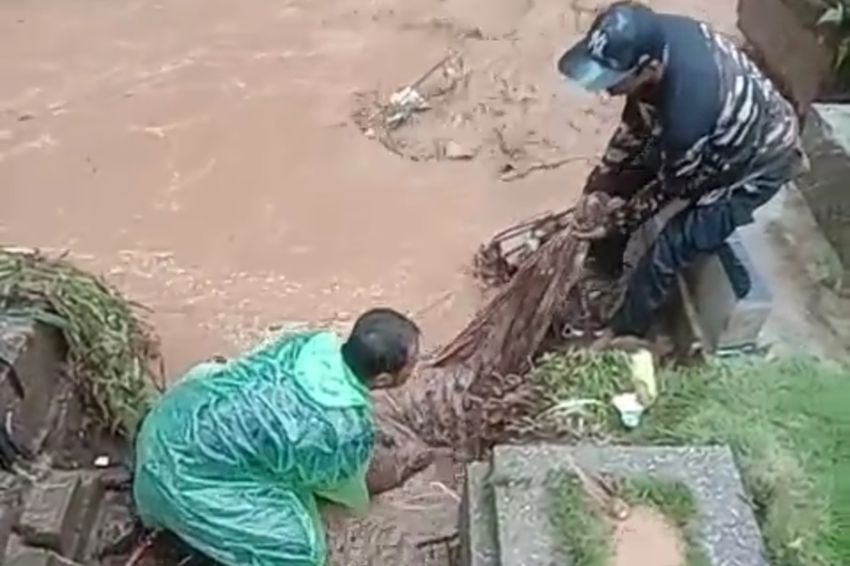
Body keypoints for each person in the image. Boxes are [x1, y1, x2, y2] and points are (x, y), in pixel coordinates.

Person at [557, 2, 804, 337]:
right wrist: (601, 181)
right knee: (623, 178)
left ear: (650, 68)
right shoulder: (657, 38)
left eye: (615, 80)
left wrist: (616, 221)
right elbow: (635, 125)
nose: (607, 89)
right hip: (707, 130)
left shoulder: (687, 113)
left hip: (757, 162)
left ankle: (622, 333)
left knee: (671, 247)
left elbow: (670, 188)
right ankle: (603, 270)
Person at [133, 308, 420, 565]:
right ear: (383, 380)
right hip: (177, 480)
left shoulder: (309, 343)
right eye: (412, 364)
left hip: (166, 425)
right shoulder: (344, 429)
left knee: (214, 373)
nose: (415, 367)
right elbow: (340, 488)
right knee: (299, 551)